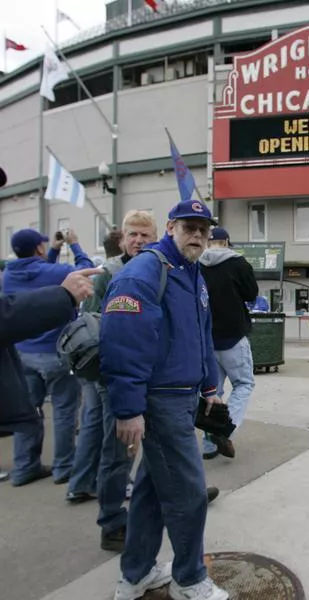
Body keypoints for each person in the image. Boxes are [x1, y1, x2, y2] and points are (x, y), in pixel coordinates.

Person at [100, 200, 228, 600]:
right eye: (189, 227)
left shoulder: (192, 273)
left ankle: (136, 575)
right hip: (159, 402)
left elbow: (202, 335)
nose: (198, 235)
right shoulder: (144, 272)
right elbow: (123, 344)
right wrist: (128, 408)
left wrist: (210, 387)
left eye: (204, 229)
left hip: (182, 397)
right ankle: (189, 579)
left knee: (151, 492)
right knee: (189, 495)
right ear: (170, 227)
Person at [2, 228, 94, 486]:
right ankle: (64, 467)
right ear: (39, 249)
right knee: (65, 412)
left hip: (23, 355)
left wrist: (52, 250)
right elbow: (85, 272)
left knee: (29, 412)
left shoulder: (8, 274)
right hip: (54, 355)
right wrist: (74, 245)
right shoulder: (53, 273)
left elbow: (42, 277)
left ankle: (24, 468)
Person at [67, 228, 127, 505]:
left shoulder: (100, 271)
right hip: (106, 359)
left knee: (92, 421)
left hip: (89, 359)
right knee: (113, 427)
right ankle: (115, 487)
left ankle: (80, 483)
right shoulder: (112, 272)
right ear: (122, 243)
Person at [199, 226, 258, 460]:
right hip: (233, 336)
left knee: (212, 390)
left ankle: (209, 445)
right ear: (226, 242)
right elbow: (251, 293)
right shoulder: (238, 263)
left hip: (206, 338)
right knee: (243, 383)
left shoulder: (197, 264)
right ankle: (224, 429)